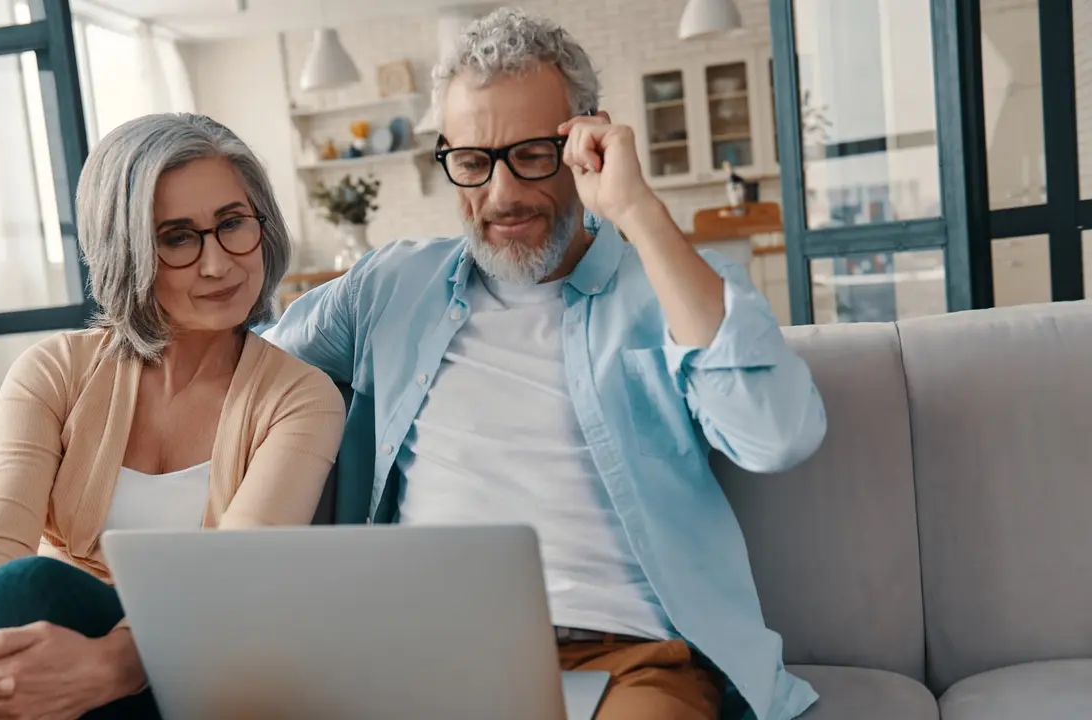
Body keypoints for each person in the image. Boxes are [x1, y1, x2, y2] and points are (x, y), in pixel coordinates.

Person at [264, 8, 827, 720]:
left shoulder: (670, 283)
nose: (502, 195)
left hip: (626, 661)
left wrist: (638, 210)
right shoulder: (387, 288)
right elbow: (250, 369)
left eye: (532, 154)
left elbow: (776, 436)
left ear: (590, 139)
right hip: (428, 654)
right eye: (472, 162)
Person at [0, 113, 346, 719]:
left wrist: (113, 666)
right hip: (47, 666)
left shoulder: (300, 397)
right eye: (177, 237)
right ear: (128, 253)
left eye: (233, 224)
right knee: (14, 601)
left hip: (203, 669)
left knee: (27, 588)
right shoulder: (56, 370)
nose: (217, 263)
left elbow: (235, 577)